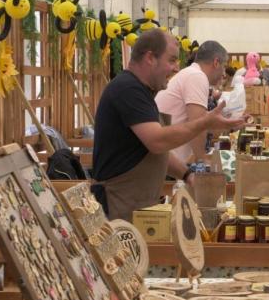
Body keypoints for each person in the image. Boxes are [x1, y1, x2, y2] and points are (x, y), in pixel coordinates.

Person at [91, 30, 245, 221]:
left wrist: (187, 175)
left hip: (135, 202)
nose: (175, 68)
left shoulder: (142, 91)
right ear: (150, 58)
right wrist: (205, 122)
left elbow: (153, 150)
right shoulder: (127, 89)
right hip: (118, 204)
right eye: (171, 60)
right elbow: (157, 141)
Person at [155, 40, 230, 166]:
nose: (223, 74)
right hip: (169, 164)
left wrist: (231, 125)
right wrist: (202, 162)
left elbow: (204, 122)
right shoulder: (197, 76)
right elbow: (197, 125)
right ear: (216, 62)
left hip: (168, 159)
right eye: (224, 66)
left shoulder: (191, 73)